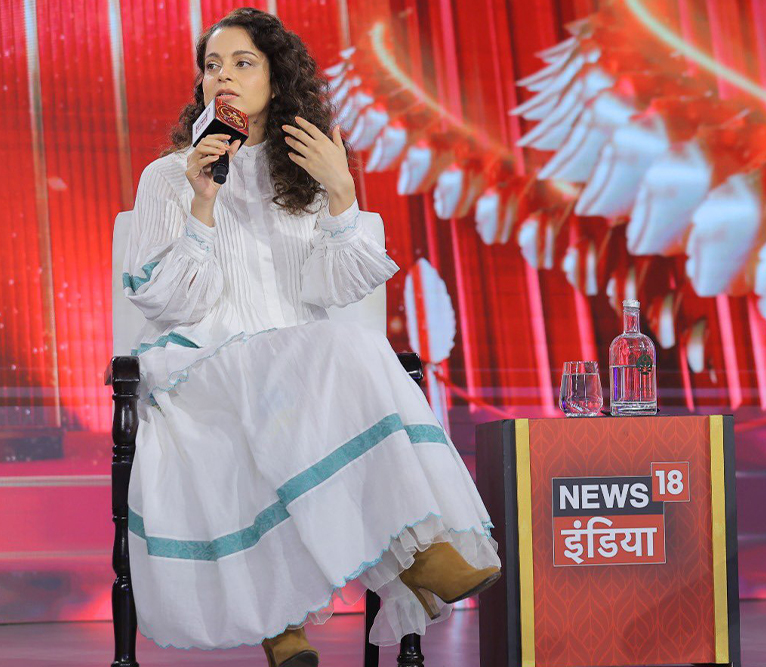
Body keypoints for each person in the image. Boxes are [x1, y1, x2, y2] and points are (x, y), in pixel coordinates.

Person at [122, 8, 500, 665]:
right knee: (328, 359)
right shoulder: (169, 175)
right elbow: (166, 299)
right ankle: (403, 553)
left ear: (277, 78)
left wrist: (341, 189)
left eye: (243, 63)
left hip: (298, 361)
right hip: (201, 367)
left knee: (332, 360)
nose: (225, 78)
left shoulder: (308, 165)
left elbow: (341, 285)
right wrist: (202, 202)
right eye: (213, 66)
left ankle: (377, 572)